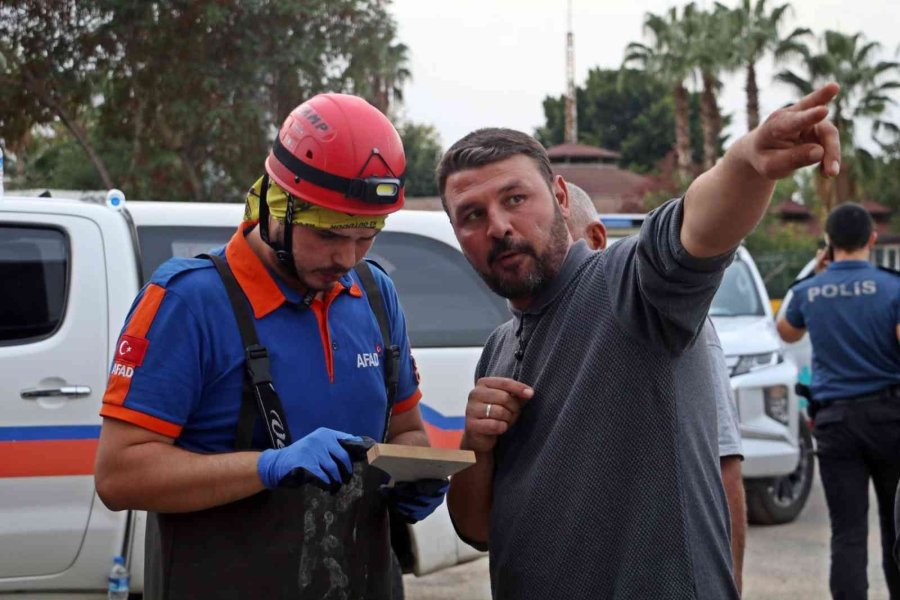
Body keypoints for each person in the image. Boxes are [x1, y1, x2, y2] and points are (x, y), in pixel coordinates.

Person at [439, 83, 841, 599]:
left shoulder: (630, 287)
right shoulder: (498, 348)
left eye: (515, 198)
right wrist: (478, 444)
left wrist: (745, 165)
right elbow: (477, 529)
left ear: (560, 197)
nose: (497, 226)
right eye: (472, 215)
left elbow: (695, 229)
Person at [94, 93, 447, 600]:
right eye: (330, 235)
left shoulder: (374, 294)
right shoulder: (189, 302)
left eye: (367, 235)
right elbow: (119, 475)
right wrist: (266, 467)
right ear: (274, 206)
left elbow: (408, 430)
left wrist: (413, 475)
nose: (348, 257)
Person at [565, 183, 746, 593]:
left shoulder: (670, 325)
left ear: (595, 239)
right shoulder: (521, 340)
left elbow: (723, 468)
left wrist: (728, 584)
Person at [777, 202, 900, 599]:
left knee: (847, 534)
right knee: (896, 528)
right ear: (872, 239)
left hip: (834, 425)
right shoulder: (893, 286)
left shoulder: (809, 292)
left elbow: (787, 332)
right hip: (890, 420)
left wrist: (817, 273)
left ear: (828, 245)